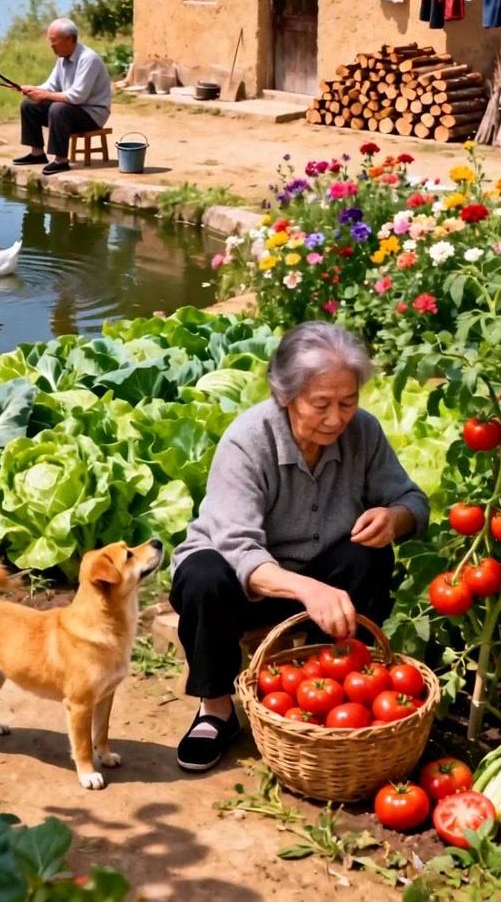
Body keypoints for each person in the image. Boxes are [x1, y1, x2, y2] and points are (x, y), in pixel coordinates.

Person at [170, 321, 429, 773]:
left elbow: (412, 500)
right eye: (321, 404)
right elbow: (239, 548)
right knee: (203, 575)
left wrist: (395, 518)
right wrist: (307, 589)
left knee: (366, 552)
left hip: (326, 580)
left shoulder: (363, 433)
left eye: (347, 402)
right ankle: (215, 711)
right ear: (284, 394)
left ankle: (342, 683)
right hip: (241, 588)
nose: (336, 418)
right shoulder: (248, 441)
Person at [14, 18, 112, 176]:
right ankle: (37, 154)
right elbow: (51, 86)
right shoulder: (62, 59)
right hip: (72, 110)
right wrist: (29, 89)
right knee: (30, 105)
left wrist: (46, 95)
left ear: (68, 39)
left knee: (58, 108)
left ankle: (61, 160)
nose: (51, 45)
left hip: (92, 114)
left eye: (54, 41)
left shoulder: (89, 59)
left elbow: (77, 97)